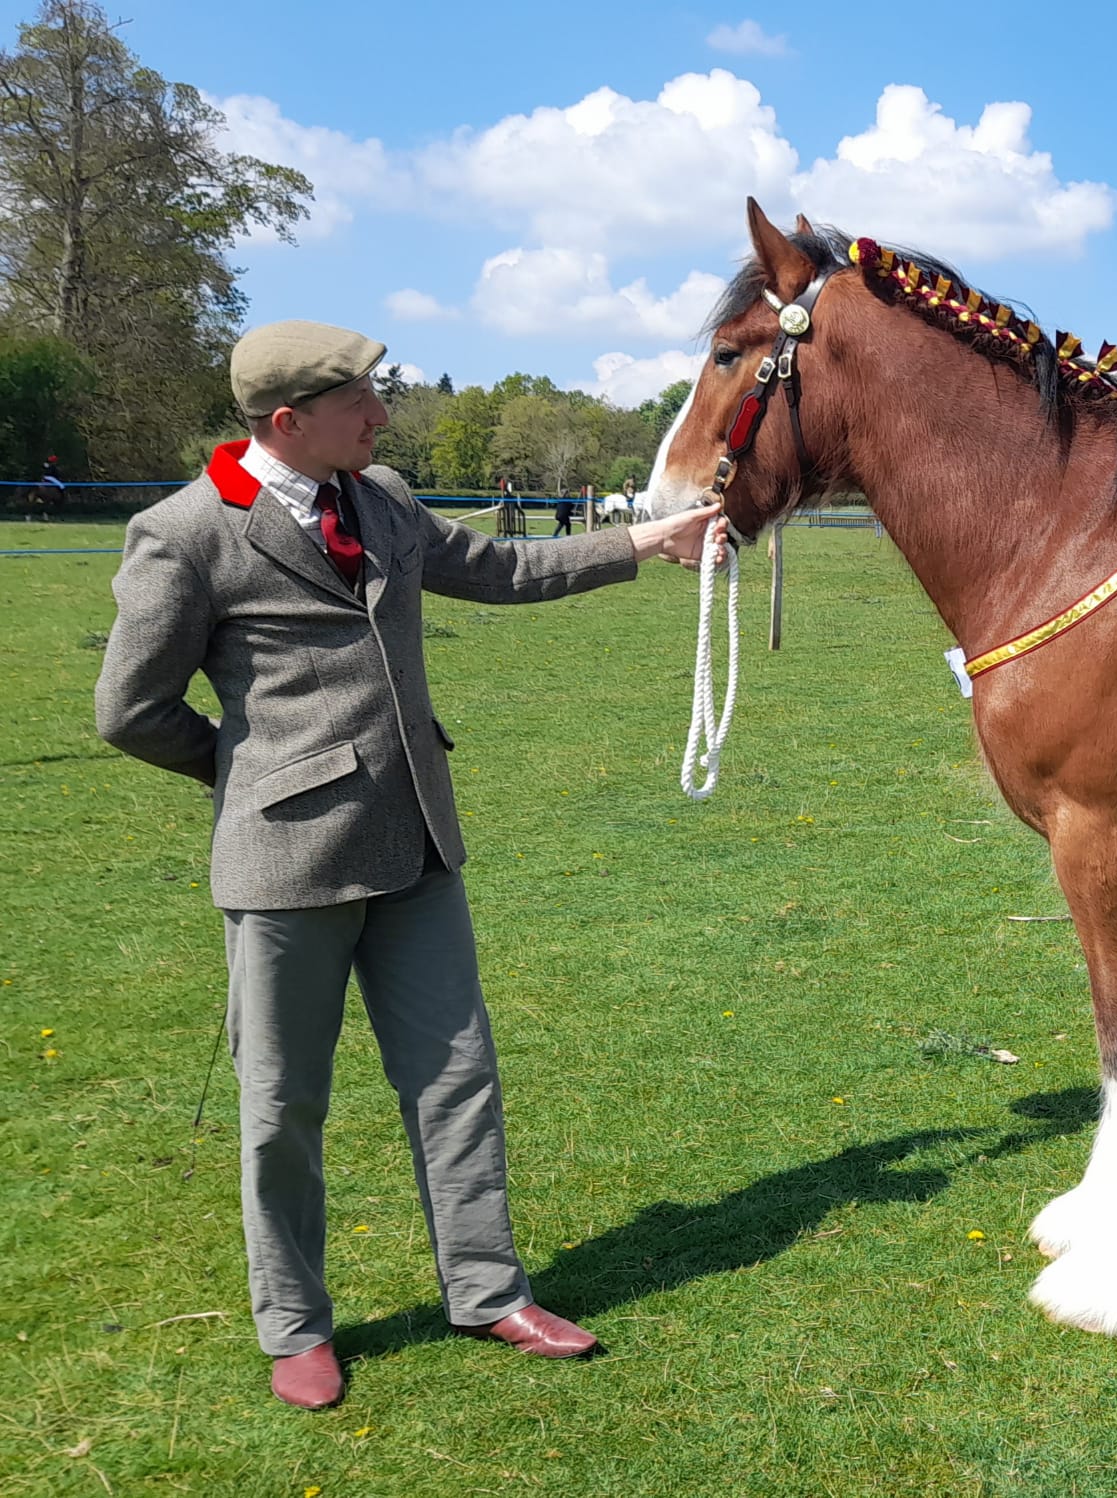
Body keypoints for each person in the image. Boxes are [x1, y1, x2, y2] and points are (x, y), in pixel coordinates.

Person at [93, 320, 726, 1411]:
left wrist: (643, 541)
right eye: (360, 403)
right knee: (282, 1107)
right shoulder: (185, 532)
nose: (381, 417)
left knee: (456, 1078)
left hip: (419, 846)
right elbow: (129, 709)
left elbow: (501, 567)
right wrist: (248, 776)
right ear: (288, 421)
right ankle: (294, 1325)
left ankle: (486, 1291)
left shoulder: (379, 498)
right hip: (285, 869)